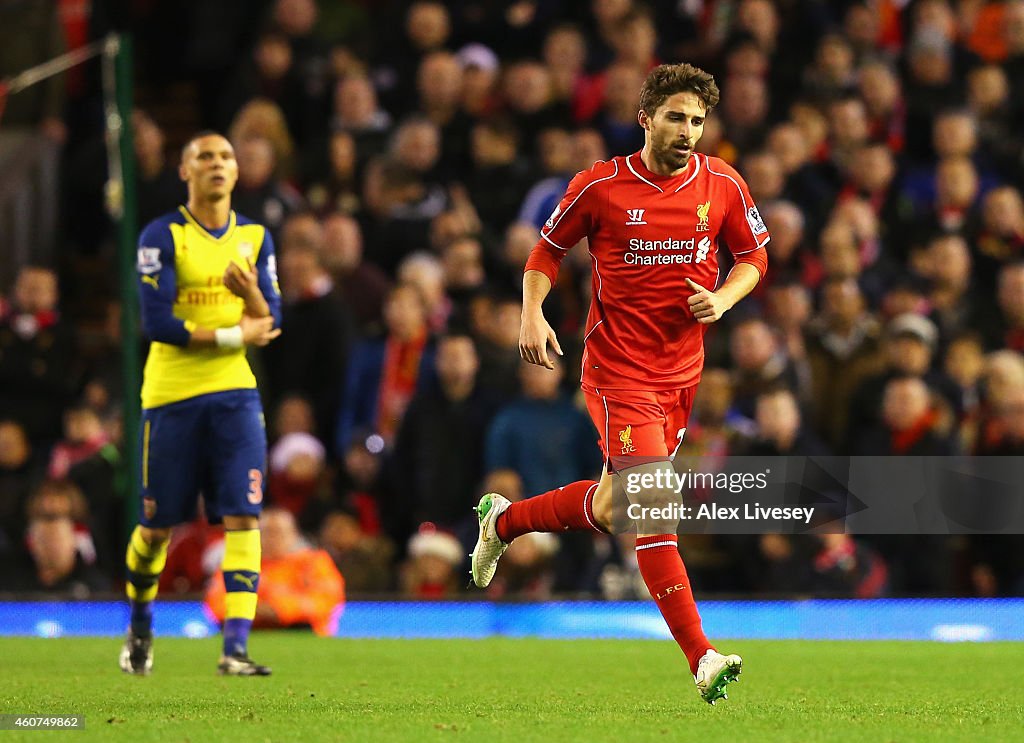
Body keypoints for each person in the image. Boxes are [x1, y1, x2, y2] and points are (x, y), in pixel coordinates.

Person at [470, 64, 769, 705]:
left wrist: (723, 298)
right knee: (654, 509)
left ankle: (504, 524)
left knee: (611, 508)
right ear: (646, 117)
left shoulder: (721, 184)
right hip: (617, 371)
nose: (687, 131)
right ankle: (703, 658)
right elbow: (545, 254)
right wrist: (532, 312)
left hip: (680, 375)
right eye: (675, 117)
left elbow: (754, 257)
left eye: (697, 120)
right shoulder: (601, 185)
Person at [119, 132, 283, 677]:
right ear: (185, 172)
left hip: (235, 396)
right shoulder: (161, 236)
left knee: (244, 516)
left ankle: (234, 648)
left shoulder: (257, 237)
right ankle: (141, 620)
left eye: (226, 157)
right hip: (171, 397)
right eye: (205, 157)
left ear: (237, 173)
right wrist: (238, 332)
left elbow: (271, 319)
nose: (217, 164)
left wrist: (251, 298)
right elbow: (157, 322)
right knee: (155, 529)